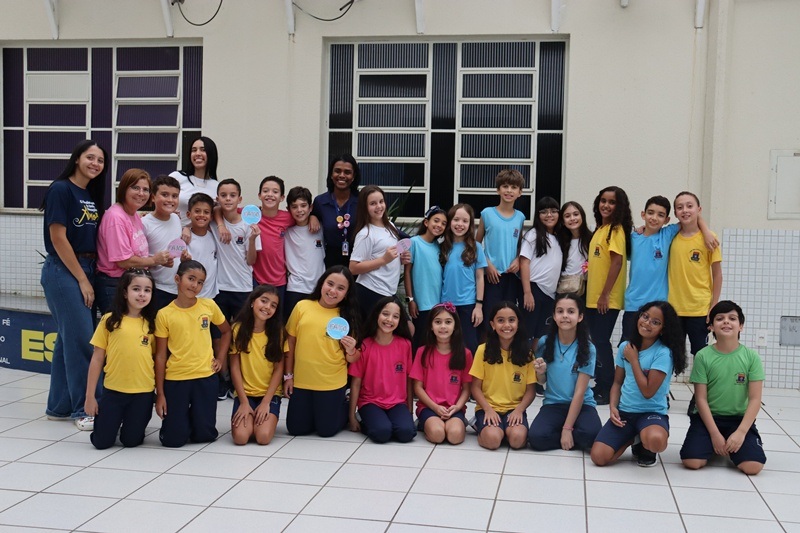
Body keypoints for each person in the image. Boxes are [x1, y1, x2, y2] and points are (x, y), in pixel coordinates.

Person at [40, 140, 108, 430]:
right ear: (77, 158)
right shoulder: (61, 189)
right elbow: (58, 238)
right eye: (90, 157)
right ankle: (86, 408)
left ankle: (59, 406)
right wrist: (81, 278)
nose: (95, 164)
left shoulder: (89, 194)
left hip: (86, 268)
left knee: (66, 341)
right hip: (64, 270)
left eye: (100, 160)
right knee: (82, 341)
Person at [590, 301, 687, 467]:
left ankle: (645, 442)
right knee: (599, 457)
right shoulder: (625, 347)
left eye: (655, 322)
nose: (647, 323)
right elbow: (617, 383)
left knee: (656, 441)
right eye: (645, 316)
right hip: (626, 413)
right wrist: (613, 407)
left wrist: (634, 360)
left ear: (663, 329)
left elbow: (648, 391)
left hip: (651, 413)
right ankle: (633, 438)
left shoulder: (663, 353)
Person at [680, 301, 766, 475]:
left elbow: (755, 399)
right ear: (711, 326)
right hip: (708, 419)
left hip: (738, 419)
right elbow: (700, 399)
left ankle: (732, 443)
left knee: (753, 467)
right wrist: (714, 434)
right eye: (720, 318)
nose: (726, 321)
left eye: (732, 318)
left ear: (741, 326)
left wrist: (741, 432)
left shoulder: (751, 357)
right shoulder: (703, 356)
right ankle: (716, 443)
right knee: (692, 461)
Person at [154, 260, 232, 447]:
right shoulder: (164, 314)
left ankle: (193, 418)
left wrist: (220, 359)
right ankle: (180, 420)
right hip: (176, 378)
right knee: (173, 441)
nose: (195, 285)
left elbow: (226, 331)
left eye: (200, 282)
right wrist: (160, 393)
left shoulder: (209, 306)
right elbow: (160, 355)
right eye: (191, 279)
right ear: (177, 279)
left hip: (205, 376)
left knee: (205, 435)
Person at [622, 195, 717, 341]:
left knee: (656, 347)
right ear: (643, 214)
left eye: (660, 215)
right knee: (628, 345)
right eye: (650, 213)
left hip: (659, 306)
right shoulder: (633, 238)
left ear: (667, 220)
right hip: (633, 304)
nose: (654, 218)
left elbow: (691, 217)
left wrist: (706, 231)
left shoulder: (667, 234)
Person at [284, 266, 361, 437]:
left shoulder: (348, 316)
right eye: (330, 284)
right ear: (321, 283)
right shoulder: (302, 306)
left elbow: (353, 358)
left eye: (341, 288)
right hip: (302, 380)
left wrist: (351, 349)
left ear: (346, 294)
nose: (333, 291)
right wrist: (288, 376)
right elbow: (290, 342)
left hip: (331, 382)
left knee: (326, 431)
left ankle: (344, 404)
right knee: (296, 429)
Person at [85, 269, 157, 449]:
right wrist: (90, 396)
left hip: (143, 393)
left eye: (147, 290)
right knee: (101, 443)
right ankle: (111, 423)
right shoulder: (109, 321)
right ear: (125, 292)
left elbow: (157, 358)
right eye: (136, 289)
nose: (142, 294)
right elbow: (97, 359)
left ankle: (130, 424)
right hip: (113, 391)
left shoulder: (152, 324)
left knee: (131, 441)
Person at [528, 293, 601, 451]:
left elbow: (580, 393)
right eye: (560, 311)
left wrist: (567, 429)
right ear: (554, 316)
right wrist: (540, 372)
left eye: (571, 311)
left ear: (580, 317)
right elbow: (541, 381)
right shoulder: (544, 342)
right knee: (536, 438)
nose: (565, 316)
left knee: (592, 435)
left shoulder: (588, 348)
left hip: (582, 404)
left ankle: (567, 432)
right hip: (554, 404)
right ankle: (570, 436)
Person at [96, 169, 171, 314]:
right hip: (115, 285)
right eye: (135, 188)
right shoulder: (116, 218)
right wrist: (154, 260)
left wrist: (160, 261)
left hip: (131, 282)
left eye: (145, 189)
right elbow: (123, 261)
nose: (141, 193)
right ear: (124, 188)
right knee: (118, 326)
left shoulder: (133, 214)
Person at [585, 186, 633, 405]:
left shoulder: (616, 230)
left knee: (601, 341)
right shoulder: (601, 229)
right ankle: (601, 383)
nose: (606, 205)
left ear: (619, 206)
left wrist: (604, 294)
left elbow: (617, 263)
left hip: (605, 299)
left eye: (612, 202)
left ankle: (607, 386)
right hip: (593, 297)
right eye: (603, 200)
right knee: (596, 341)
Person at [348, 296, 416, 443]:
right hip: (370, 402)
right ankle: (364, 418)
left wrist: (410, 412)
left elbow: (408, 380)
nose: (389, 320)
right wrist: (351, 416)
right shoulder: (365, 345)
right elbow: (356, 382)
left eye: (395, 316)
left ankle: (388, 422)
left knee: (406, 433)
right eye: (385, 314)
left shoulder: (405, 345)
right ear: (377, 314)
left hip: (397, 402)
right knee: (382, 433)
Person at [470, 302, 537, 450]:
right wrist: (487, 409)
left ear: (518, 323)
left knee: (517, 441)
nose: (507, 325)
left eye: (511, 320)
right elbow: (475, 387)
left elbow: (531, 391)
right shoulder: (482, 350)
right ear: (492, 325)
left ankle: (504, 429)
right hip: (488, 407)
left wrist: (519, 410)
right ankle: (480, 425)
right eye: (500, 320)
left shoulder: (527, 353)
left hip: (514, 409)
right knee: (492, 441)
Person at [668, 191, 723, 358]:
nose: (685, 210)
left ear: (699, 209)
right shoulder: (671, 237)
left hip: (699, 309)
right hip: (674, 308)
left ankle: (701, 379)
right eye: (680, 207)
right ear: (675, 213)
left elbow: (717, 275)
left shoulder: (709, 238)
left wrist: (714, 305)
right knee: (672, 355)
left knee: (700, 355)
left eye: (689, 206)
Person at [228, 285, 285, 446]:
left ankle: (262, 418)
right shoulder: (237, 329)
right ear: (253, 302)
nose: (267, 307)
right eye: (264, 301)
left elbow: (278, 369)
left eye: (273, 305)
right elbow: (234, 367)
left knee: (263, 437)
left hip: (269, 395)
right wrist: (243, 401)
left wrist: (266, 402)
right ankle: (250, 415)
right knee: (240, 438)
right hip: (245, 394)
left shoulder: (278, 332)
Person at [410, 302, 473, 445]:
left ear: (455, 326)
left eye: (448, 322)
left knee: (455, 436)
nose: (443, 326)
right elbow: (417, 387)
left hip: (453, 408)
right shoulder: (422, 352)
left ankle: (459, 421)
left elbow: (467, 388)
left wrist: (457, 407)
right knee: (438, 435)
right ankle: (423, 423)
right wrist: (435, 407)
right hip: (429, 407)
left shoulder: (465, 354)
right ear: (431, 326)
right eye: (438, 322)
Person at [349, 185, 409, 319]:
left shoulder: (390, 226)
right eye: (373, 203)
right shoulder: (365, 234)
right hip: (371, 290)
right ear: (364, 207)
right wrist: (383, 260)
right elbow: (353, 268)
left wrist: (400, 259)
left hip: (388, 291)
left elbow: (387, 256)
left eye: (381, 201)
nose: (379, 206)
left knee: (406, 327)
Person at [476, 169, 525, 328]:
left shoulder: (520, 217)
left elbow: (520, 245)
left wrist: (518, 259)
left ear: (520, 192)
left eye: (514, 187)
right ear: (498, 189)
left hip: (511, 276)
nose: (509, 191)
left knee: (508, 316)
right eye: (505, 186)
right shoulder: (487, 213)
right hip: (492, 275)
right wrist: (487, 264)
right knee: (490, 318)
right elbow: (476, 244)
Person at [440, 204, 487, 355]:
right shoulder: (442, 247)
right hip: (446, 304)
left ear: (470, 224)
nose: (460, 224)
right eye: (456, 220)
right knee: (448, 344)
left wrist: (478, 306)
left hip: (468, 304)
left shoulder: (476, 247)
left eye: (465, 221)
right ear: (449, 222)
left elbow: (480, 277)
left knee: (469, 345)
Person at [404, 205, 447, 351]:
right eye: (436, 220)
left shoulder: (438, 247)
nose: (439, 225)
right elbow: (407, 273)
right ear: (426, 222)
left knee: (433, 345)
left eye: (443, 223)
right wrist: (410, 300)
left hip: (438, 305)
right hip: (421, 305)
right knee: (420, 344)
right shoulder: (414, 242)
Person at [520, 196, 563, 341]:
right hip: (534, 289)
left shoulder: (559, 237)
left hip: (550, 293)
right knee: (527, 332)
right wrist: (527, 292)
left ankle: (535, 356)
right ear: (538, 215)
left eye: (553, 211)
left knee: (541, 334)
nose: (549, 215)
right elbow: (524, 262)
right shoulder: (533, 234)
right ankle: (523, 356)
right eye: (544, 212)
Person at [312, 154, 361, 268]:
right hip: (329, 262)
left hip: (357, 261)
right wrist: (312, 216)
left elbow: (381, 224)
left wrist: (404, 246)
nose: (342, 175)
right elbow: (307, 217)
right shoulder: (320, 201)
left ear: (353, 176)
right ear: (331, 174)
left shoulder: (362, 201)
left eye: (347, 172)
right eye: (337, 171)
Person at [284, 186, 325, 321]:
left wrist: (314, 217)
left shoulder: (320, 228)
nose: (299, 210)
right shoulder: (286, 232)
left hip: (318, 288)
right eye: (294, 207)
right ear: (288, 209)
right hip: (295, 288)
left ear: (310, 207)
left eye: (303, 205)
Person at [142, 175, 183, 311]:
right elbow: (138, 257)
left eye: (174, 196)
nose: (170, 200)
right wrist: (156, 261)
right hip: (156, 288)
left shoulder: (176, 219)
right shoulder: (144, 224)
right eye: (165, 195)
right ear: (153, 197)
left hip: (177, 288)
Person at [252, 176, 294, 306]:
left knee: (277, 315)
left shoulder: (288, 217)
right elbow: (221, 210)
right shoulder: (250, 214)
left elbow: (305, 217)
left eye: (275, 192)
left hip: (279, 280)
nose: (270, 194)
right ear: (259, 195)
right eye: (265, 191)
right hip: (256, 279)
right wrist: (220, 225)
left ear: (282, 197)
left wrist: (313, 218)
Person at [171, 136, 219, 227]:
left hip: (203, 234)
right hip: (173, 232)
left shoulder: (217, 187)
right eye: (194, 150)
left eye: (203, 150)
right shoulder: (176, 177)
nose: (197, 153)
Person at [185, 193, 219, 299]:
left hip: (210, 296)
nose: (202, 215)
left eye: (206, 212)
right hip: (189, 296)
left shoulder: (214, 236)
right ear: (188, 214)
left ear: (211, 216)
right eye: (197, 211)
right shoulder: (184, 238)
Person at [556, 201, 591, 299]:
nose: (572, 218)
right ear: (562, 221)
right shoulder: (559, 241)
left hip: (584, 289)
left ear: (582, 216)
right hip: (563, 288)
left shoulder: (592, 239)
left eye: (576, 214)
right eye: (567, 216)